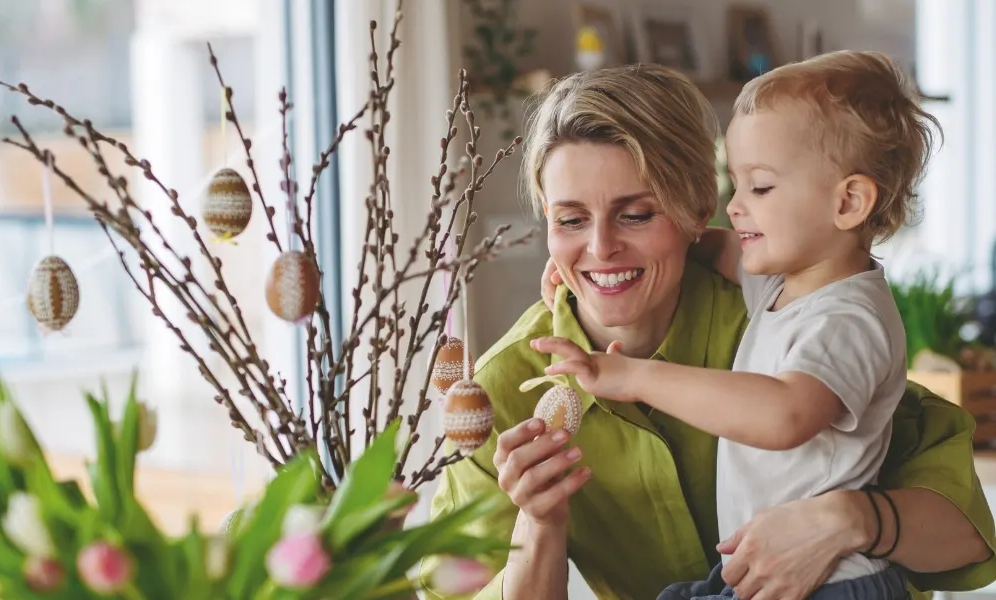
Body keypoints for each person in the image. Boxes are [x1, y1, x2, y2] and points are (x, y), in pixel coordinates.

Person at [418, 62, 996, 600]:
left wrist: (849, 520)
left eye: (637, 214)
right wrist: (539, 524)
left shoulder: (788, 314)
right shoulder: (501, 390)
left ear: (698, 209)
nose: (599, 248)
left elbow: (970, 533)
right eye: (571, 220)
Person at [532, 50, 938, 599]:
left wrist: (630, 376)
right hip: (762, 573)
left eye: (761, 188)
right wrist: (586, 259)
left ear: (848, 202)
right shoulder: (783, 282)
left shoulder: (849, 318)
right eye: (736, 185)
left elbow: (783, 413)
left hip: (830, 583)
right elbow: (697, 241)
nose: (735, 207)